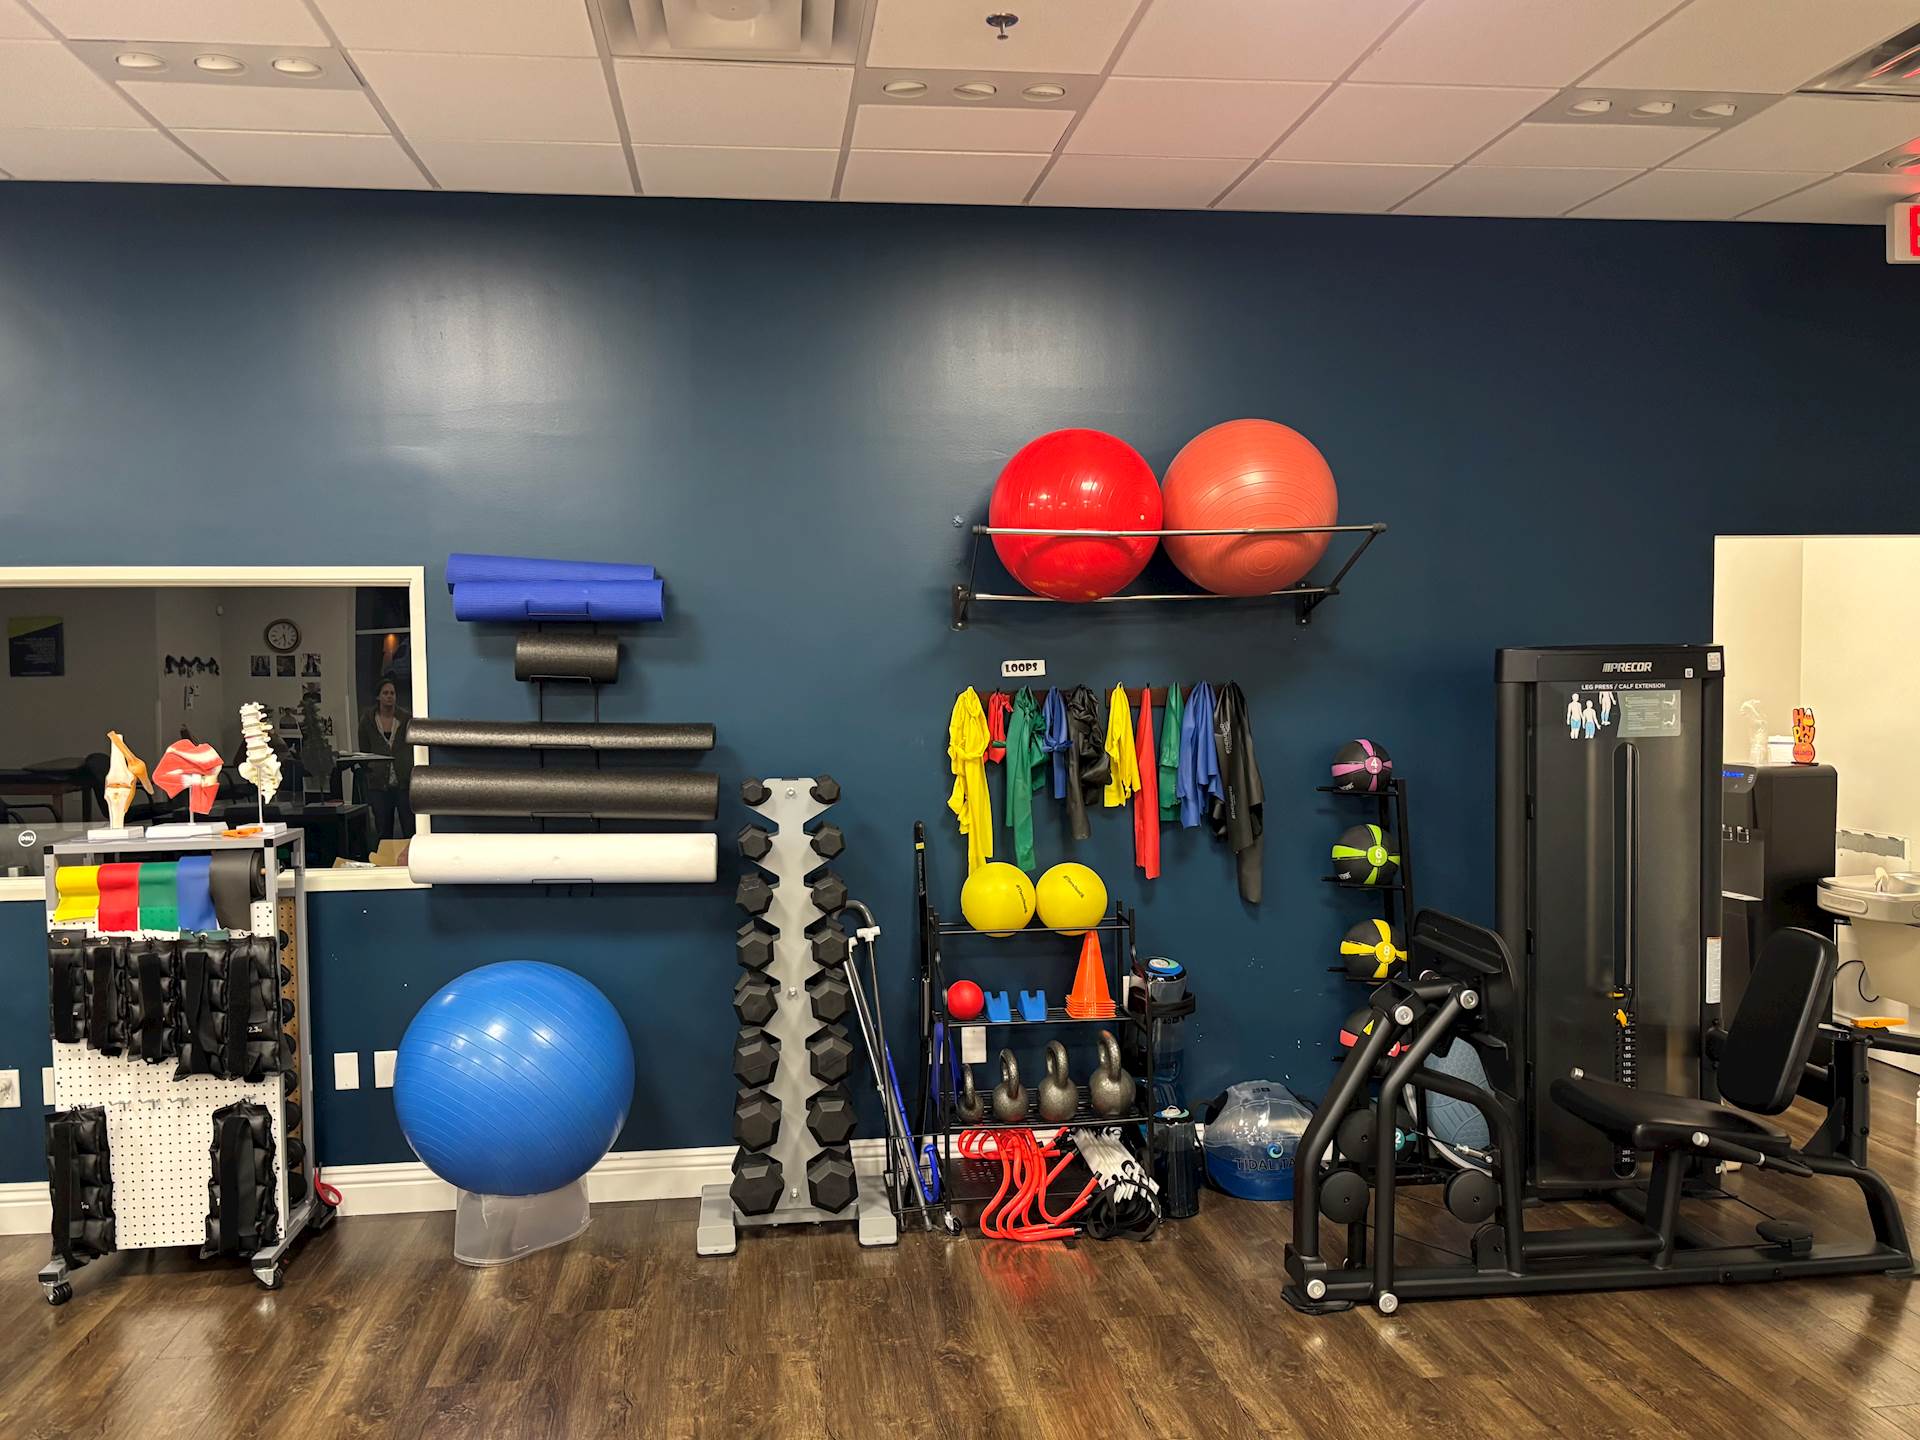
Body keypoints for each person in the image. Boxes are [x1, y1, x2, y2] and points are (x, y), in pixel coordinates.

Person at [358, 673, 413, 840]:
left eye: (392, 693)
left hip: (403, 782)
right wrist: (372, 769)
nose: (389, 696)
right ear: (378, 696)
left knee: (409, 827)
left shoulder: (406, 719)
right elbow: (364, 749)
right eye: (385, 693)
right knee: (383, 829)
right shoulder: (368, 720)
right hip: (379, 784)